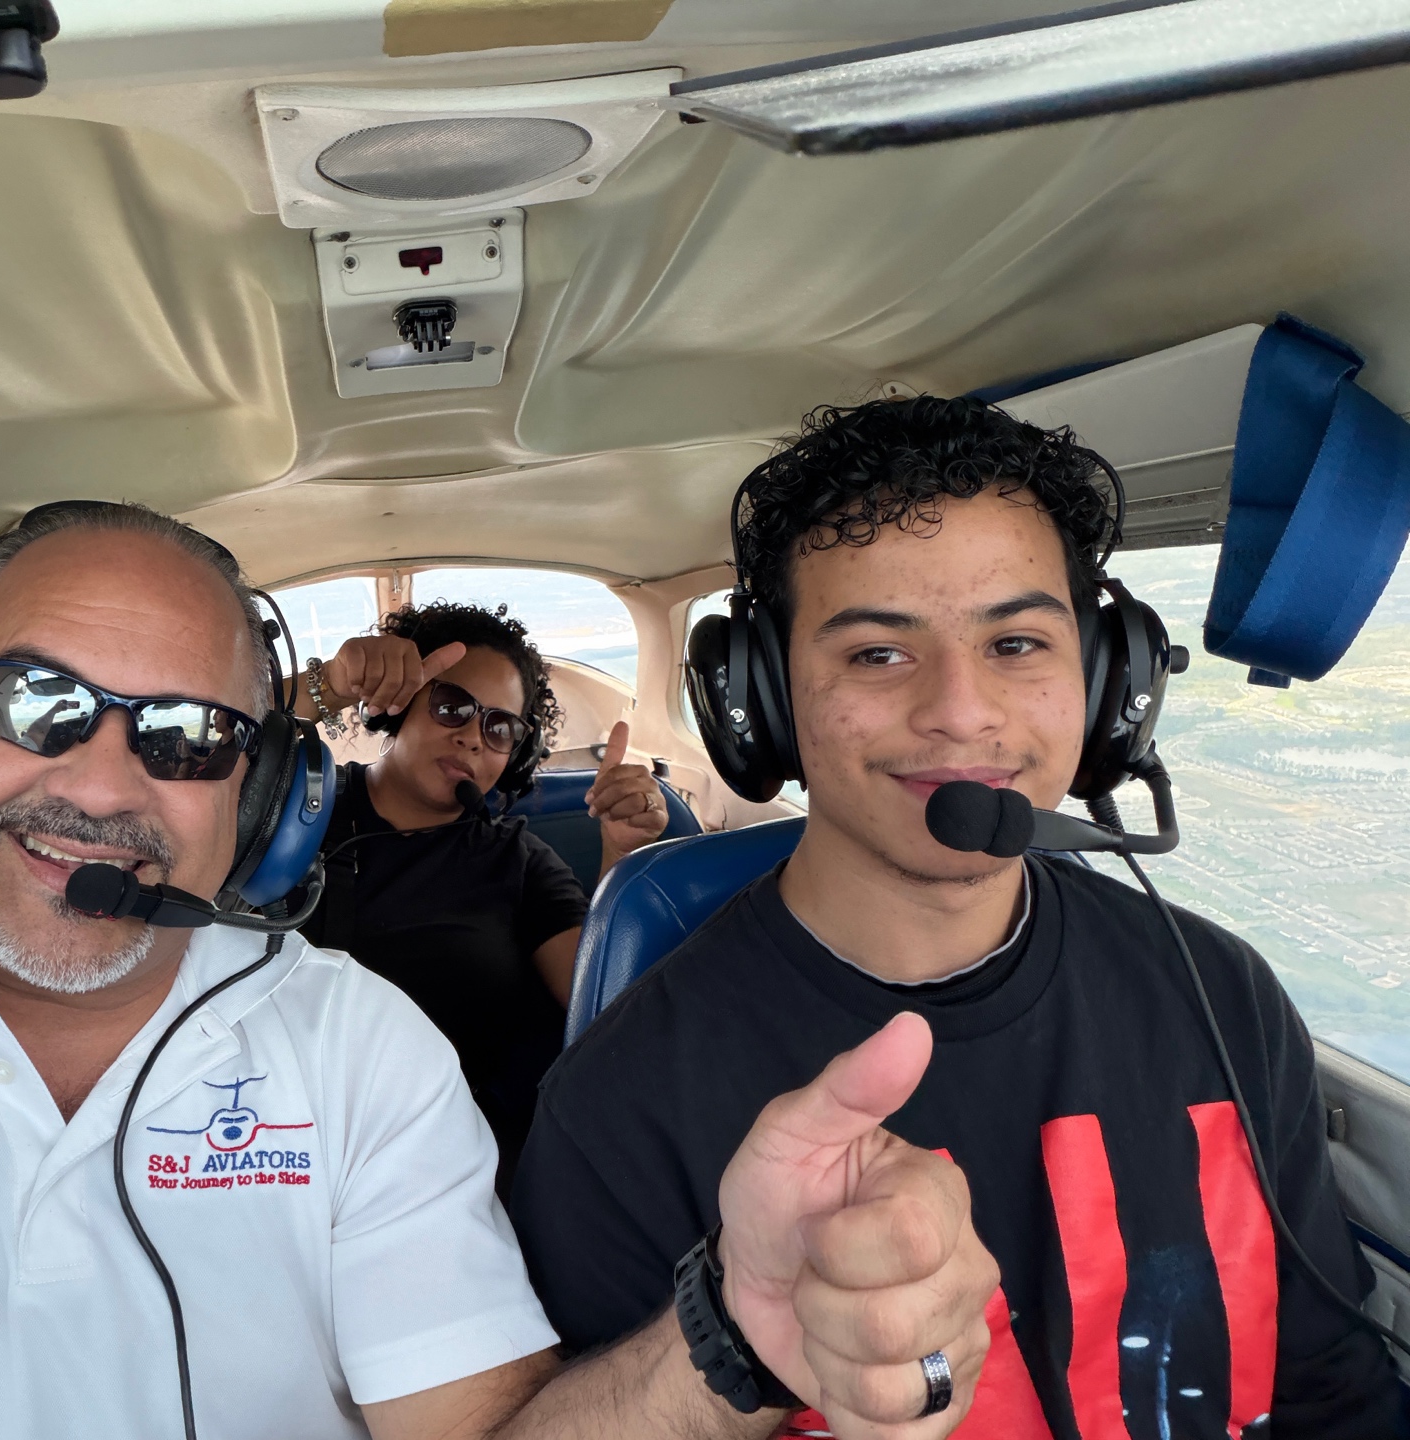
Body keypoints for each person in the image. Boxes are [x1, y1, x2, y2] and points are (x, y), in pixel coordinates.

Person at [0, 499, 1001, 1439]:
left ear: (247, 807)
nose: (104, 776)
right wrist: (327, 694)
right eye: (34, 699)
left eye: (188, 737)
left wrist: (725, 1341)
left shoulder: (358, 1046)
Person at [509, 397, 1407, 1438]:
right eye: (878, 654)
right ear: (763, 701)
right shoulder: (622, 1099)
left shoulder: (1220, 994)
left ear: (1109, 680)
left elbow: (1333, 1393)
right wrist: (730, 1340)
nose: (961, 711)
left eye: (1018, 642)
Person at [292, 601, 667, 1192]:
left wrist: (623, 857)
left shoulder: (518, 863)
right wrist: (326, 687)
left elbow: (601, 1005)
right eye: (452, 706)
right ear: (400, 702)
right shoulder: (295, 809)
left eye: (498, 727)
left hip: (449, 1166)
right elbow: (201, 740)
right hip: (281, 1138)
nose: (471, 736)